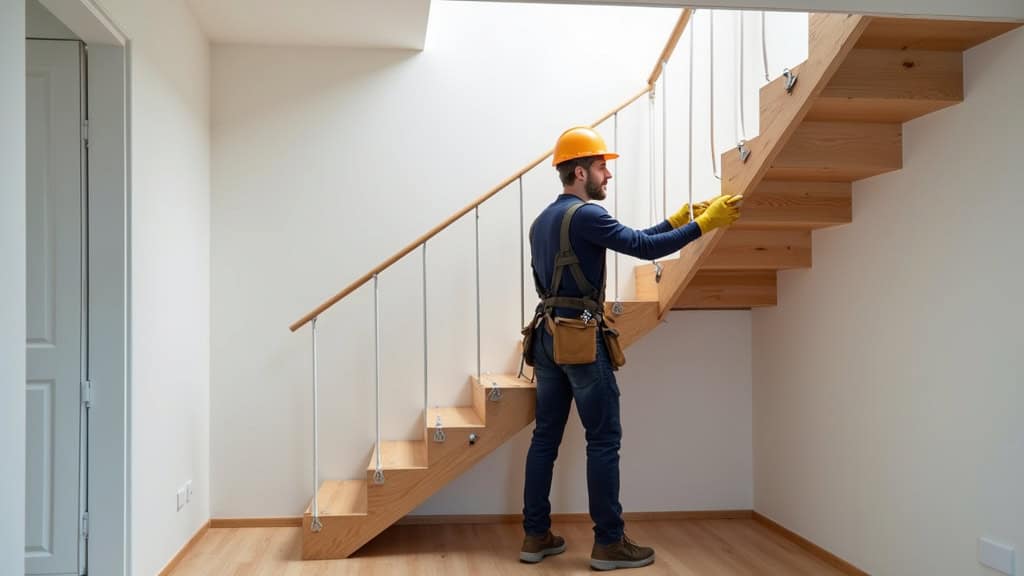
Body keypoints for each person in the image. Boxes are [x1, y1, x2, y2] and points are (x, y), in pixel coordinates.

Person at [519, 126, 741, 571]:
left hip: (545, 337)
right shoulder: (586, 216)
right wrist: (703, 225)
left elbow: (633, 238)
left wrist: (676, 221)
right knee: (603, 440)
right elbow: (640, 247)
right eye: (603, 166)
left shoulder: (543, 221)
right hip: (581, 340)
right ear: (580, 171)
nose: (608, 175)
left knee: (544, 438)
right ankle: (609, 543)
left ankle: (535, 536)